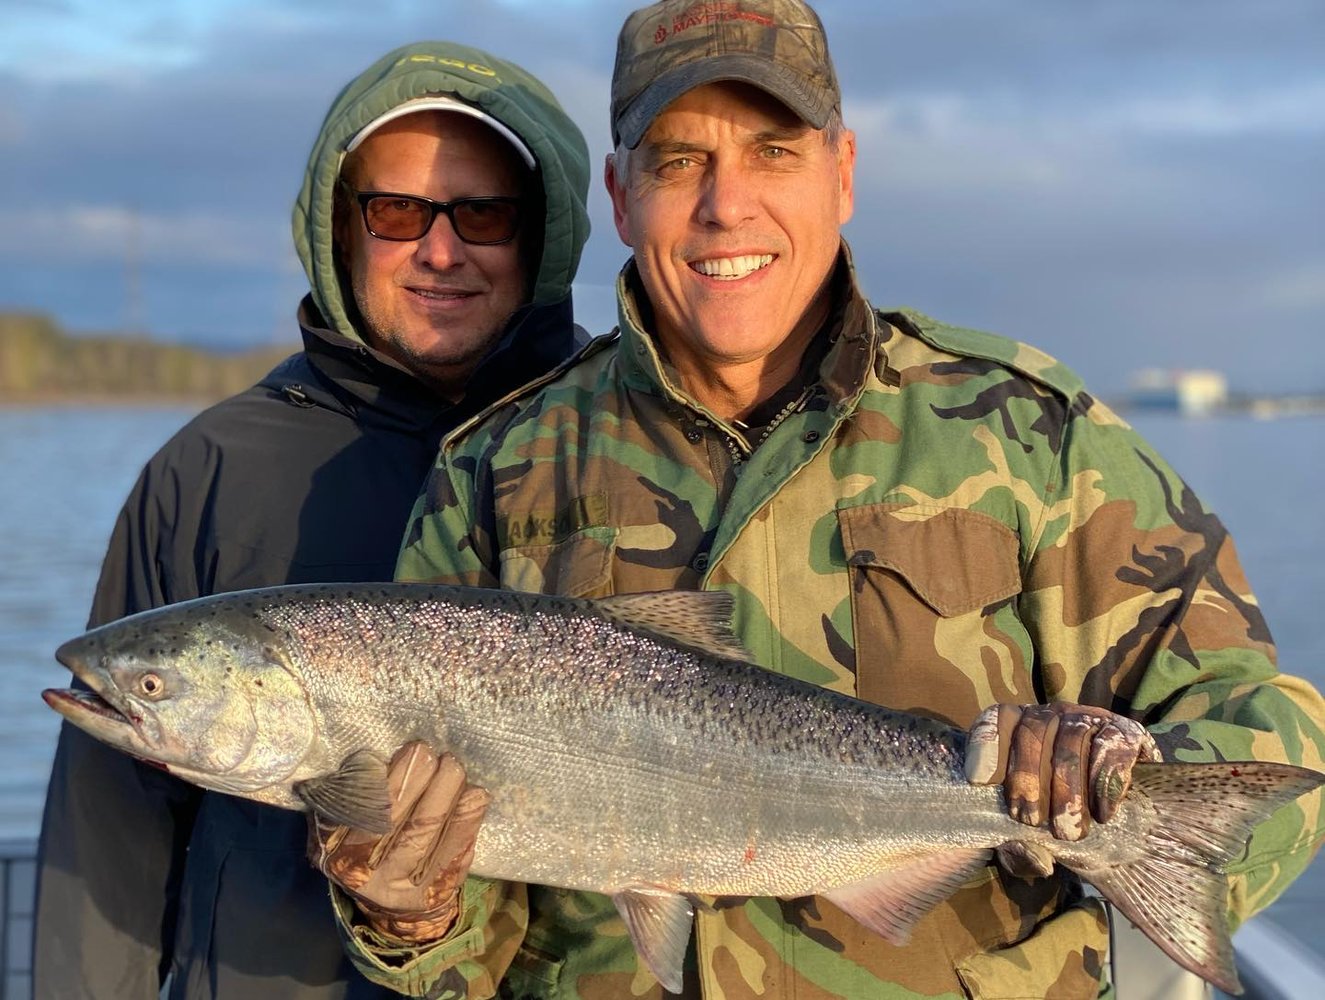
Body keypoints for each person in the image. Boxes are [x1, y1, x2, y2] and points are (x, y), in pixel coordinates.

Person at [330, 2, 1325, 997]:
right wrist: (408, 911)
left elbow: (1258, 719)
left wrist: (1119, 771)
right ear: (621, 199)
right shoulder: (493, 470)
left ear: (842, 173)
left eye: (772, 150)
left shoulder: (1029, 436)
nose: (726, 204)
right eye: (677, 161)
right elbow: (463, 955)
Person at [33, 39, 590, 999]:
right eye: (398, 212)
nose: (442, 250)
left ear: (543, 237)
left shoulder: (625, 446)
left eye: (484, 214)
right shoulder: (206, 470)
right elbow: (109, 830)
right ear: (340, 229)